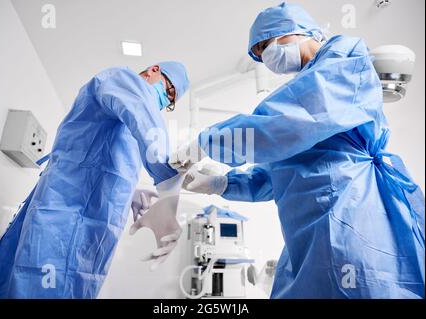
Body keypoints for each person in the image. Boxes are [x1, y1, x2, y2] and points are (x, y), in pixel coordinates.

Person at [173, 2, 425, 298]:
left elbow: (285, 123)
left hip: (350, 214)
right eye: (260, 54)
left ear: (295, 30)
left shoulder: (344, 56)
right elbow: (277, 173)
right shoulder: (300, 101)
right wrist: (222, 183)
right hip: (306, 238)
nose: (267, 57)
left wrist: (208, 142)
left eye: (267, 45)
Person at [0, 62, 189, 298]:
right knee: (38, 283)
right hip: (61, 217)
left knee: (73, 284)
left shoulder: (129, 120)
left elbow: (103, 162)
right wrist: (169, 187)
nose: (166, 101)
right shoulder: (121, 80)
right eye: (168, 90)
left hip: (93, 229)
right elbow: (144, 121)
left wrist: (129, 192)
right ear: (154, 69)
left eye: (171, 102)